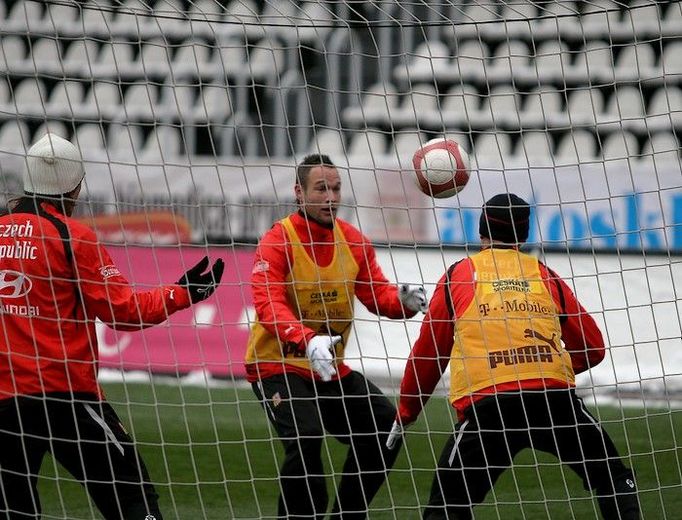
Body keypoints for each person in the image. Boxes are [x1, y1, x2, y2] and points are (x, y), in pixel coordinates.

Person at [0, 133, 225, 520]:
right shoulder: (74, 237)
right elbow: (124, 312)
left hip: (4, 401)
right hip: (64, 396)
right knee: (133, 496)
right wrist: (182, 293)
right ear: (76, 187)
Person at [387, 193, 640, 520]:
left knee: (447, 505)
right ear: (524, 235)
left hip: (491, 410)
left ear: (481, 233)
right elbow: (593, 348)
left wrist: (406, 412)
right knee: (614, 476)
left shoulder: (459, 275)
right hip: (553, 401)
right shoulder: (544, 274)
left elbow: (428, 356)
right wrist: (543, 365)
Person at [244, 153, 428, 519]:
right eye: (321, 189)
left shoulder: (354, 241)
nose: (331, 197)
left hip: (329, 370)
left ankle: (347, 515)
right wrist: (305, 337)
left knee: (387, 428)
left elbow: (377, 294)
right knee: (307, 438)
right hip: (277, 365)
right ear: (299, 193)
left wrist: (405, 303)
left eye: (336, 188)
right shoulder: (277, 240)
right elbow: (267, 304)